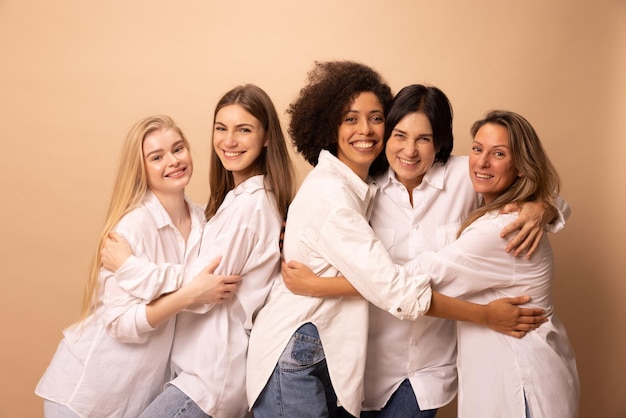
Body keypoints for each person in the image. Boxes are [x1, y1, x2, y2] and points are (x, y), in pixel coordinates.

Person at [245, 62, 547, 418]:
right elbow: (392, 286)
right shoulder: (357, 192)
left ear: (440, 143)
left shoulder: (461, 176)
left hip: (426, 372)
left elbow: (517, 176)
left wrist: (541, 207)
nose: (410, 150)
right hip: (352, 366)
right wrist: (484, 316)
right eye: (399, 135)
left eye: (424, 138)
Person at [104, 84, 294, 417]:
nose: (229, 141)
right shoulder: (231, 203)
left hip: (209, 380)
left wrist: (128, 266)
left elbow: (203, 288)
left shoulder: (250, 207)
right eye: (221, 129)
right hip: (198, 374)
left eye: (244, 130)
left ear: (266, 138)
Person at [35, 115, 240, 418]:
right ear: (141, 169)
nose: (173, 161)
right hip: (85, 394)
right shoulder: (132, 227)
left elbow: (214, 276)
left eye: (178, 149)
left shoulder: (204, 221)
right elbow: (119, 322)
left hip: (138, 397)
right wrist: (188, 295)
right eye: (157, 157)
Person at [413, 110, 579, 417]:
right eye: (477, 149)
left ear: (520, 166)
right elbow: (555, 199)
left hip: (520, 385)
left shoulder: (500, 230)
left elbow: (410, 284)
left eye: (499, 153)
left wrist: (323, 283)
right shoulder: (501, 209)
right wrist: (543, 205)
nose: (481, 162)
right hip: (516, 376)